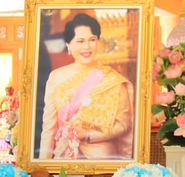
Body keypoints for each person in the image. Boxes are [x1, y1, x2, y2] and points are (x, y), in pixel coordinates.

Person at [37, 12, 134, 160]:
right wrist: (43, 166)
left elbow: (124, 124)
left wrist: (88, 135)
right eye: (80, 41)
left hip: (101, 157)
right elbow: (49, 128)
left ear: (98, 42)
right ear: (69, 44)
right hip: (64, 156)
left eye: (92, 40)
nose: (87, 47)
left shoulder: (111, 79)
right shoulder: (56, 77)